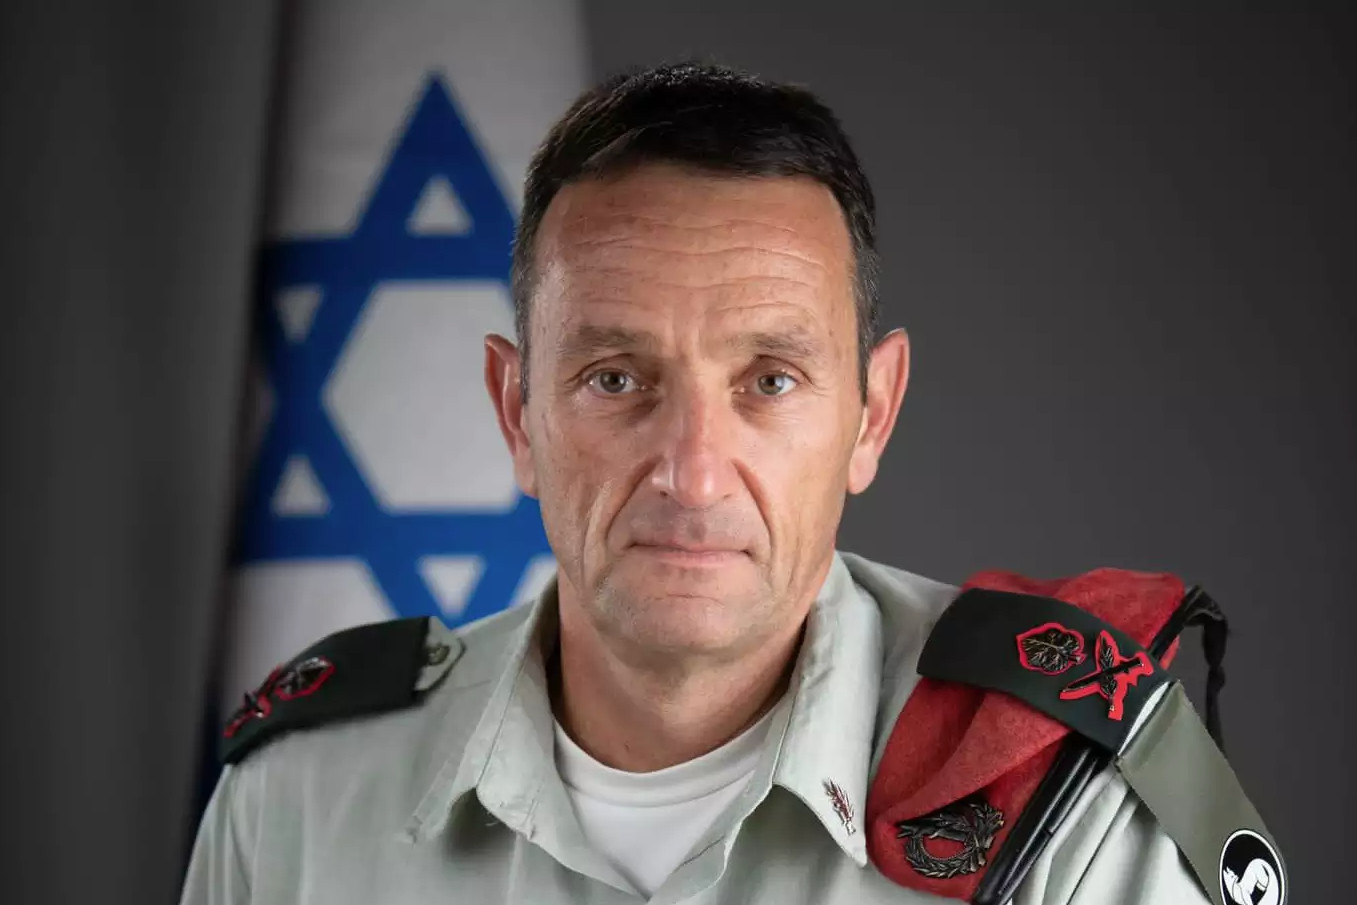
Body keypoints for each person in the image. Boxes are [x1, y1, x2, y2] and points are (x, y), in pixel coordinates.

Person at [180, 62, 1234, 905]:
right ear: (516, 413)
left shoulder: (1065, 799)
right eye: (615, 378)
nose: (690, 472)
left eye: (768, 380)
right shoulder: (300, 798)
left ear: (871, 414)